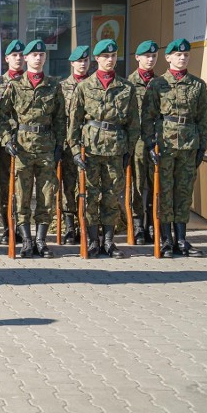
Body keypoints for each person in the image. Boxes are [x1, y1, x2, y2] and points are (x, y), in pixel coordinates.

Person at [68, 39, 139, 259]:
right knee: (90, 195)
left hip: (116, 148)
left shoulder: (126, 88)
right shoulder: (84, 86)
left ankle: (109, 241)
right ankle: (92, 241)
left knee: (111, 196)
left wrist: (128, 150)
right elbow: (74, 121)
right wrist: (73, 149)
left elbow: (133, 123)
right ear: (96, 59)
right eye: (105, 56)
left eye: (113, 56)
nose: (110, 60)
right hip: (90, 149)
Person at [142, 38, 207, 258]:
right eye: (178, 55)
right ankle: (165, 240)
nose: (182, 58)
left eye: (186, 55)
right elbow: (148, 117)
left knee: (183, 192)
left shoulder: (198, 85)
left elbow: (203, 119)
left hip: (189, 144)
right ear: (168, 57)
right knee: (164, 191)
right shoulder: (157, 84)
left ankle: (181, 239)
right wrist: (151, 143)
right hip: (166, 144)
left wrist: (202, 145)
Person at [1, 39, 65, 259]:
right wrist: (7, 138)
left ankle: (41, 241)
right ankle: (26, 241)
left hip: (46, 146)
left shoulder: (54, 86)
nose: (38, 58)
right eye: (33, 55)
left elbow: (60, 119)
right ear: (25, 58)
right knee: (22, 194)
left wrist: (59, 145)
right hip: (22, 148)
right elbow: (3, 116)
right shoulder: (15, 86)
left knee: (47, 195)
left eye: (41, 55)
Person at [0, 40, 25, 245]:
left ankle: (23, 228)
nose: (18, 58)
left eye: (21, 55)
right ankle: (6, 226)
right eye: (14, 55)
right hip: (4, 144)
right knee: (4, 188)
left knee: (24, 189)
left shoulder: (31, 81)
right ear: (7, 59)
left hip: (28, 144)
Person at [58, 45, 91, 245]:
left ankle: (86, 225)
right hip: (69, 146)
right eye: (79, 61)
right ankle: (70, 227)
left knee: (88, 187)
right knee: (68, 187)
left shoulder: (94, 85)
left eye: (86, 61)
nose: (82, 64)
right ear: (72, 63)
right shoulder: (62, 87)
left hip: (90, 143)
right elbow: (59, 118)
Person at [127, 40, 159, 245]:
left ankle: (153, 225)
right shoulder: (128, 84)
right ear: (137, 57)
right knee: (137, 185)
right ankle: (138, 226)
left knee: (156, 183)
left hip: (157, 139)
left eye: (153, 56)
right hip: (137, 140)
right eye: (146, 56)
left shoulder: (162, 83)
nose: (150, 59)